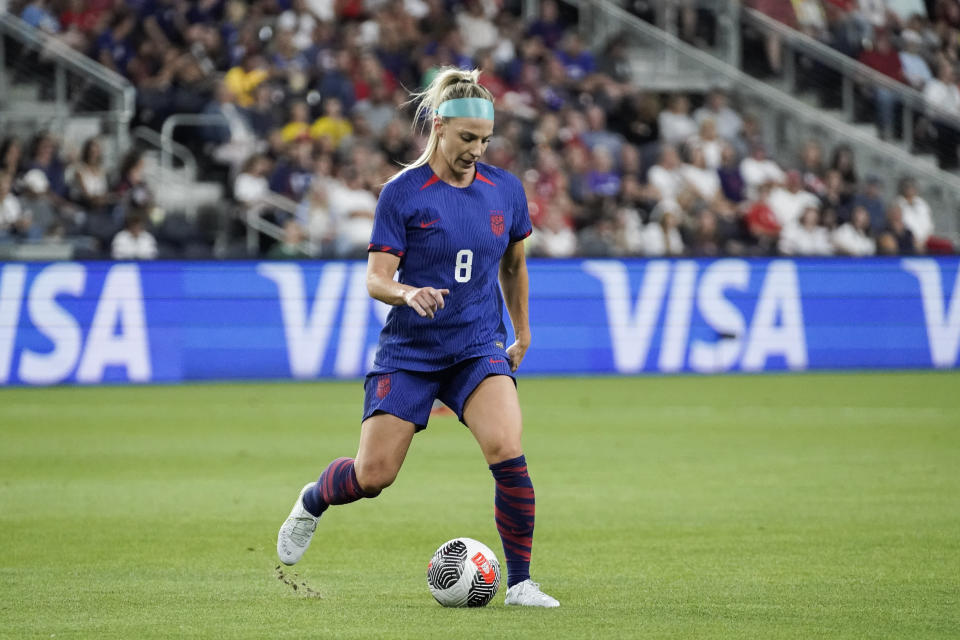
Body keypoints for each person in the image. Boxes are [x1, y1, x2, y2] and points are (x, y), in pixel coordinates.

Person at [276, 68, 559, 608]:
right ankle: (313, 499)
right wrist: (407, 293)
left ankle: (520, 583)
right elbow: (376, 278)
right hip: (411, 353)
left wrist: (521, 333)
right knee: (373, 475)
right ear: (438, 127)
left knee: (507, 448)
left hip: (478, 346)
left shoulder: (505, 190)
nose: (476, 150)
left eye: (484, 140)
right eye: (466, 138)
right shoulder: (403, 194)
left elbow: (515, 266)